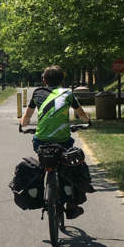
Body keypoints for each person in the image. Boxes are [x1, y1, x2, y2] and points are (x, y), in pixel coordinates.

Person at [20, 65, 92, 218]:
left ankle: (41, 189)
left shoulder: (37, 93)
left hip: (41, 141)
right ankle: (72, 204)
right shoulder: (68, 93)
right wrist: (87, 121)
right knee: (71, 167)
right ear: (61, 81)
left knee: (43, 164)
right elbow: (81, 114)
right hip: (63, 141)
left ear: (44, 80)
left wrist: (23, 125)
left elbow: (26, 118)